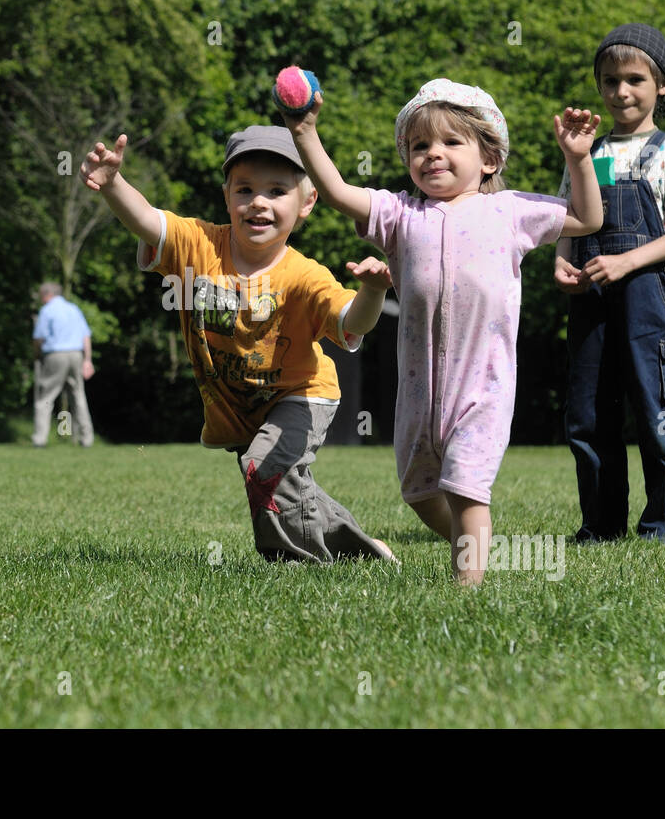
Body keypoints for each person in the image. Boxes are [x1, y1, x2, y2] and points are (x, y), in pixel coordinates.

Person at [284, 79, 604, 584]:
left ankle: (466, 591)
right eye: (420, 145)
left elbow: (588, 217)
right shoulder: (400, 214)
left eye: (452, 142)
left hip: (484, 384)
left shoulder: (511, 211)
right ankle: (473, 543)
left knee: (467, 488)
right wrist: (304, 132)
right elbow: (339, 192)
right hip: (418, 390)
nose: (433, 154)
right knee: (420, 493)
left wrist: (578, 159)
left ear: (490, 158)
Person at [80, 124, 398, 564]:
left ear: (306, 202)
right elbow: (149, 221)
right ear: (227, 195)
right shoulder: (200, 245)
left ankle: (293, 565)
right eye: (245, 189)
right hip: (241, 408)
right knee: (286, 485)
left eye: (277, 190)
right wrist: (113, 184)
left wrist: (374, 293)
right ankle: (363, 553)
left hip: (302, 396)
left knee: (266, 471)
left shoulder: (305, 276)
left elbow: (351, 323)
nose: (259, 202)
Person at [554, 23, 665, 543]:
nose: (620, 91)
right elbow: (568, 216)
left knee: (656, 412)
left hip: (652, 302)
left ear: (661, 85)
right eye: (609, 81)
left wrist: (626, 263)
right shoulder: (587, 152)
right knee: (588, 415)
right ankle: (601, 525)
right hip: (592, 300)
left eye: (634, 80)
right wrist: (562, 259)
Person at [31, 282, 96, 447]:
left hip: (55, 354)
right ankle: (87, 438)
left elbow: (39, 338)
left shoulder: (47, 310)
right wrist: (87, 360)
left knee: (46, 397)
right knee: (79, 395)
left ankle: (40, 439)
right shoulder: (74, 309)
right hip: (76, 354)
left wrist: (37, 355)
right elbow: (85, 336)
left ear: (47, 295)